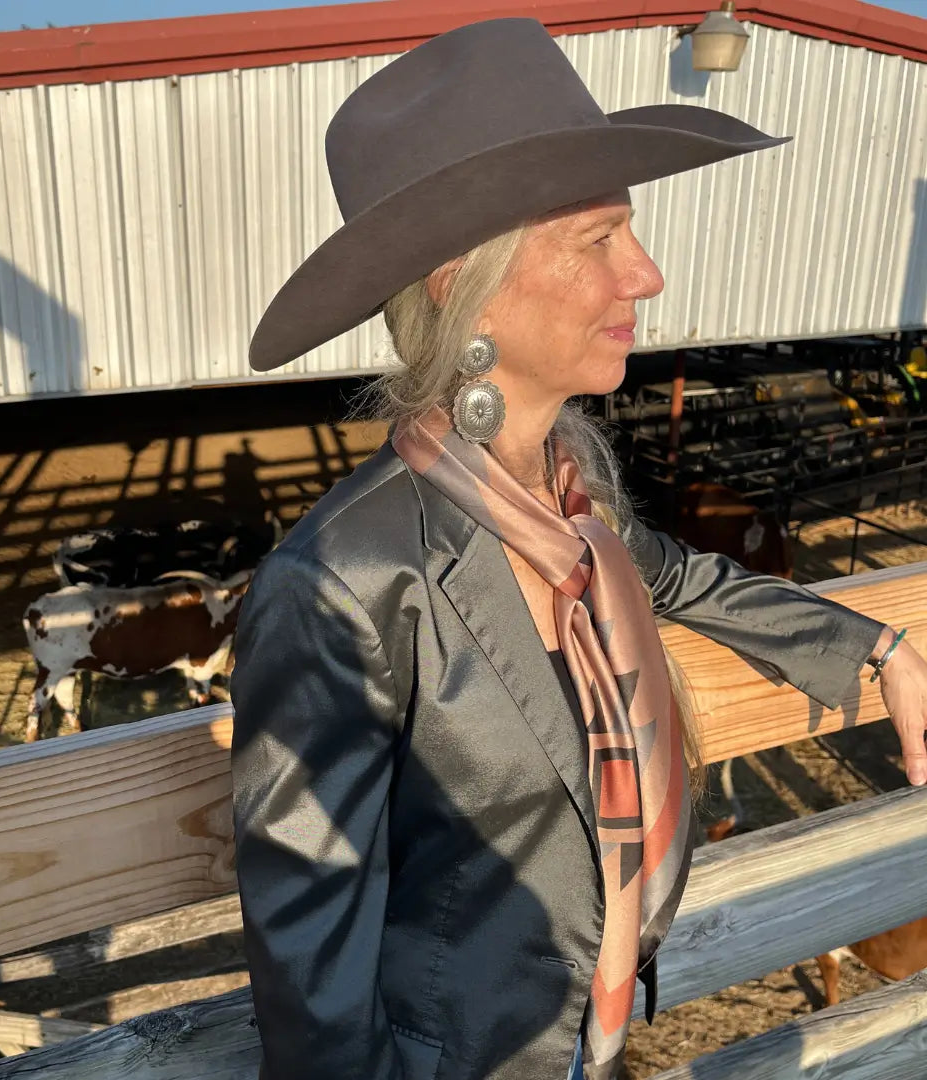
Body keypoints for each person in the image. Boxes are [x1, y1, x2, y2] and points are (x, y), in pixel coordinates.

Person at [229, 18, 927, 1080]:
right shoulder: (342, 581)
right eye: (598, 240)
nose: (644, 275)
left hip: (591, 1043)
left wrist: (879, 650)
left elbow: (683, 575)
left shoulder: (567, 507)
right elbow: (311, 974)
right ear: (463, 280)